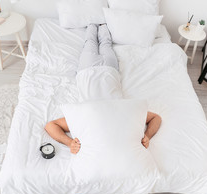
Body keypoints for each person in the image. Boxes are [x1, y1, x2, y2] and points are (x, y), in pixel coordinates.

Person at [45, 23, 162, 154]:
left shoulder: (86, 116)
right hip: (110, 69)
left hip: (87, 69)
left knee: (90, 42)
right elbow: (156, 118)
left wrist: (69, 142)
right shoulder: (124, 114)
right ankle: (102, 24)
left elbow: (51, 126)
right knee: (106, 43)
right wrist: (147, 136)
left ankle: (92, 23)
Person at [45, 112, 161, 154]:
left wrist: (147, 136)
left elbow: (156, 118)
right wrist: (69, 142)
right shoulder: (88, 117)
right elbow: (50, 126)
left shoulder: (124, 115)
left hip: (89, 71)